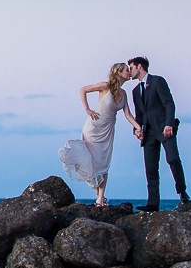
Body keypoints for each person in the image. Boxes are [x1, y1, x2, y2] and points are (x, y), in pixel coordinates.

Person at [58, 62, 142, 206]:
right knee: (93, 161)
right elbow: (83, 90)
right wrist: (88, 109)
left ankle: (100, 198)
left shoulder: (123, 93)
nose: (129, 72)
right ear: (118, 73)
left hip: (108, 131)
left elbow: (127, 114)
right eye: (127, 70)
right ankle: (98, 195)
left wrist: (138, 127)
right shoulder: (105, 86)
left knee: (104, 163)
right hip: (94, 128)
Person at [128, 56, 189, 210]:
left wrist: (169, 123)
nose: (130, 72)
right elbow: (139, 115)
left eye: (131, 68)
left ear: (139, 66)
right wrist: (137, 129)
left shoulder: (157, 81)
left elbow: (169, 103)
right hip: (148, 133)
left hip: (164, 128)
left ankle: (182, 193)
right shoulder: (135, 91)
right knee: (150, 169)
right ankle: (153, 203)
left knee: (173, 159)